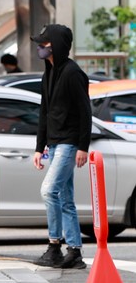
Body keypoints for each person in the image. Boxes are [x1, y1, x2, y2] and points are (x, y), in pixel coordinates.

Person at [31, 24, 90, 270]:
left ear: (56, 45)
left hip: (69, 143)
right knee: (65, 199)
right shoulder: (49, 74)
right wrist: (39, 147)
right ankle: (74, 251)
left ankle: (55, 245)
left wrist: (83, 147)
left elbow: (85, 111)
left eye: (44, 44)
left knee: (48, 191)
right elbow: (44, 113)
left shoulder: (73, 73)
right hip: (55, 144)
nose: (40, 48)